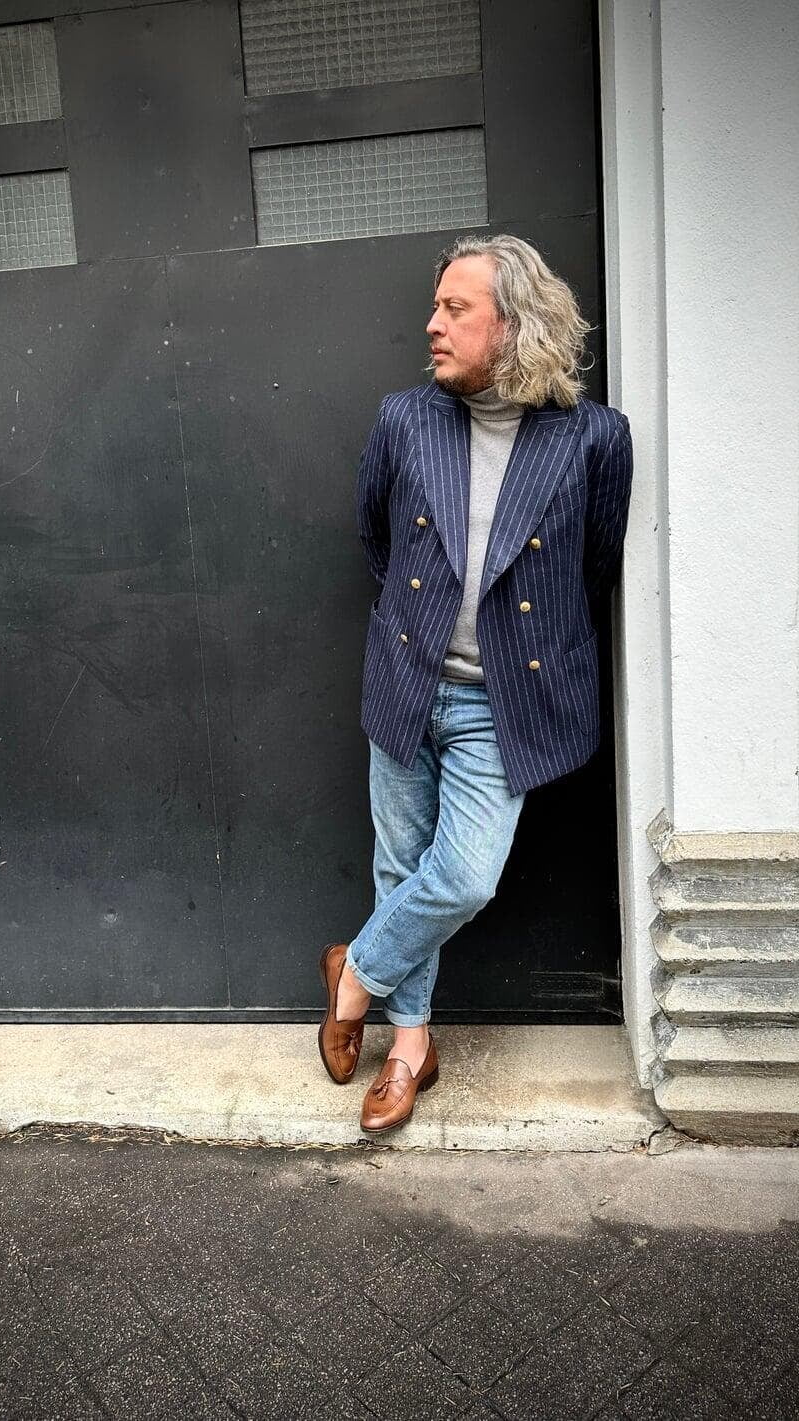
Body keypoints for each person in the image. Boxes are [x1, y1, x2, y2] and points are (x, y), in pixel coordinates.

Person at [318, 233, 634, 1134]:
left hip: (504, 701)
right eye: (436, 306)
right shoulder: (404, 419)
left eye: (455, 308)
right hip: (407, 678)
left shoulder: (593, 438)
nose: (433, 324)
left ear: (514, 323)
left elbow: (591, 567)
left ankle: (352, 976)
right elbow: (378, 540)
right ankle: (410, 1048)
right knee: (399, 866)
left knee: (460, 878)